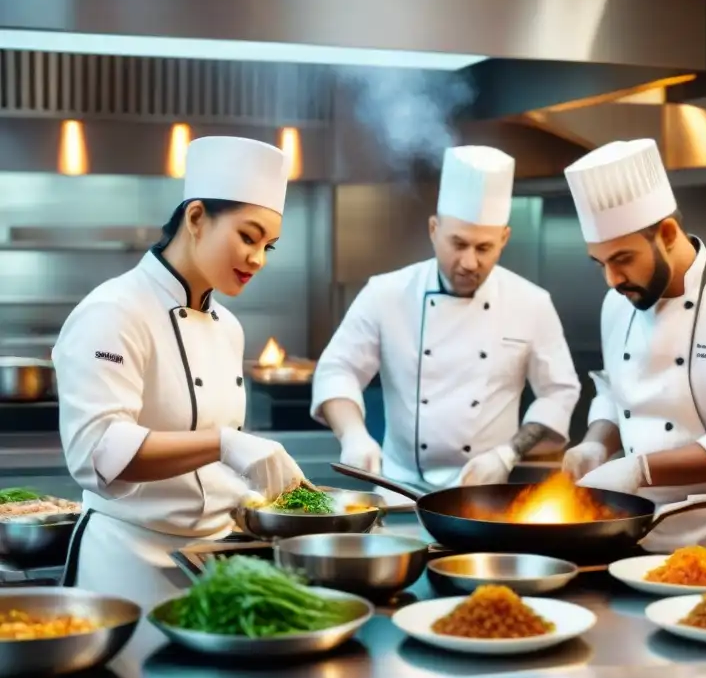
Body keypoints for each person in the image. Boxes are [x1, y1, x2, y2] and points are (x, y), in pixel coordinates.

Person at [54, 136, 306, 609]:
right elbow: (97, 452)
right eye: (248, 237)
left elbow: (206, 471)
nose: (259, 259)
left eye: (268, 245)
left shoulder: (228, 327)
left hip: (215, 562)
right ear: (195, 218)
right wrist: (227, 443)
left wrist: (262, 493)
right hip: (126, 563)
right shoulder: (114, 311)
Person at [559, 139, 706, 554]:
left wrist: (640, 470)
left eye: (622, 259)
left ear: (668, 234)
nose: (612, 280)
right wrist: (597, 442)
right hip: (618, 532)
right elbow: (615, 393)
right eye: (601, 264)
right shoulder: (617, 304)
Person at [311, 145, 580, 491]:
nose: (469, 262)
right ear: (434, 230)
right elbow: (338, 369)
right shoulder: (387, 293)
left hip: (486, 492)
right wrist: (353, 435)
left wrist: (507, 455)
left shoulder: (531, 303)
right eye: (458, 244)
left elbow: (559, 392)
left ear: (504, 239)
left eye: (484, 248)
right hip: (398, 490)